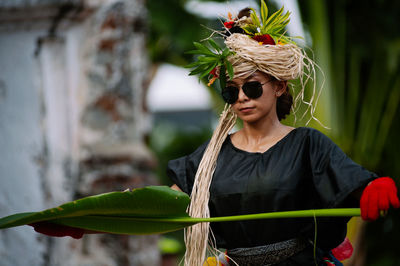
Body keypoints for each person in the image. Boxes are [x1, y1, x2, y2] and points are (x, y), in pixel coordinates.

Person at [167, 1, 400, 265]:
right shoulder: (211, 156)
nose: (242, 98)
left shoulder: (306, 144)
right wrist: (119, 212)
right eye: (232, 91)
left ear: (279, 86)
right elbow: (166, 205)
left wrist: (372, 187)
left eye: (252, 88)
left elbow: (349, 181)